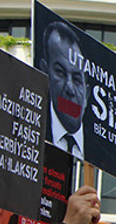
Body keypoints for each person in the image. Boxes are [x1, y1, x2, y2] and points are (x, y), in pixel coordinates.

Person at [40, 21, 88, 160]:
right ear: (45, 73)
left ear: (87, 93)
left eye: (77, 79)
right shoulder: (37, 133)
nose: (70, 88)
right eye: (60, 73)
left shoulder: (100, 153)